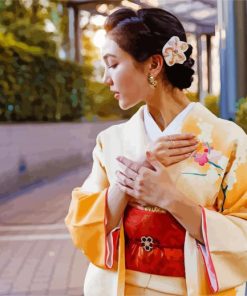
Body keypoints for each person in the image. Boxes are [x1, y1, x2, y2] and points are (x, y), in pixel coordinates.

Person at [65, 7, 247, 296]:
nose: (105, 78)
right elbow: (84, 225)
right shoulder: (110, 141)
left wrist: (171, 199)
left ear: (153, 65)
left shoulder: (228, 140)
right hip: (121, 287)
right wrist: (135, 173)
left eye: (112, 64)